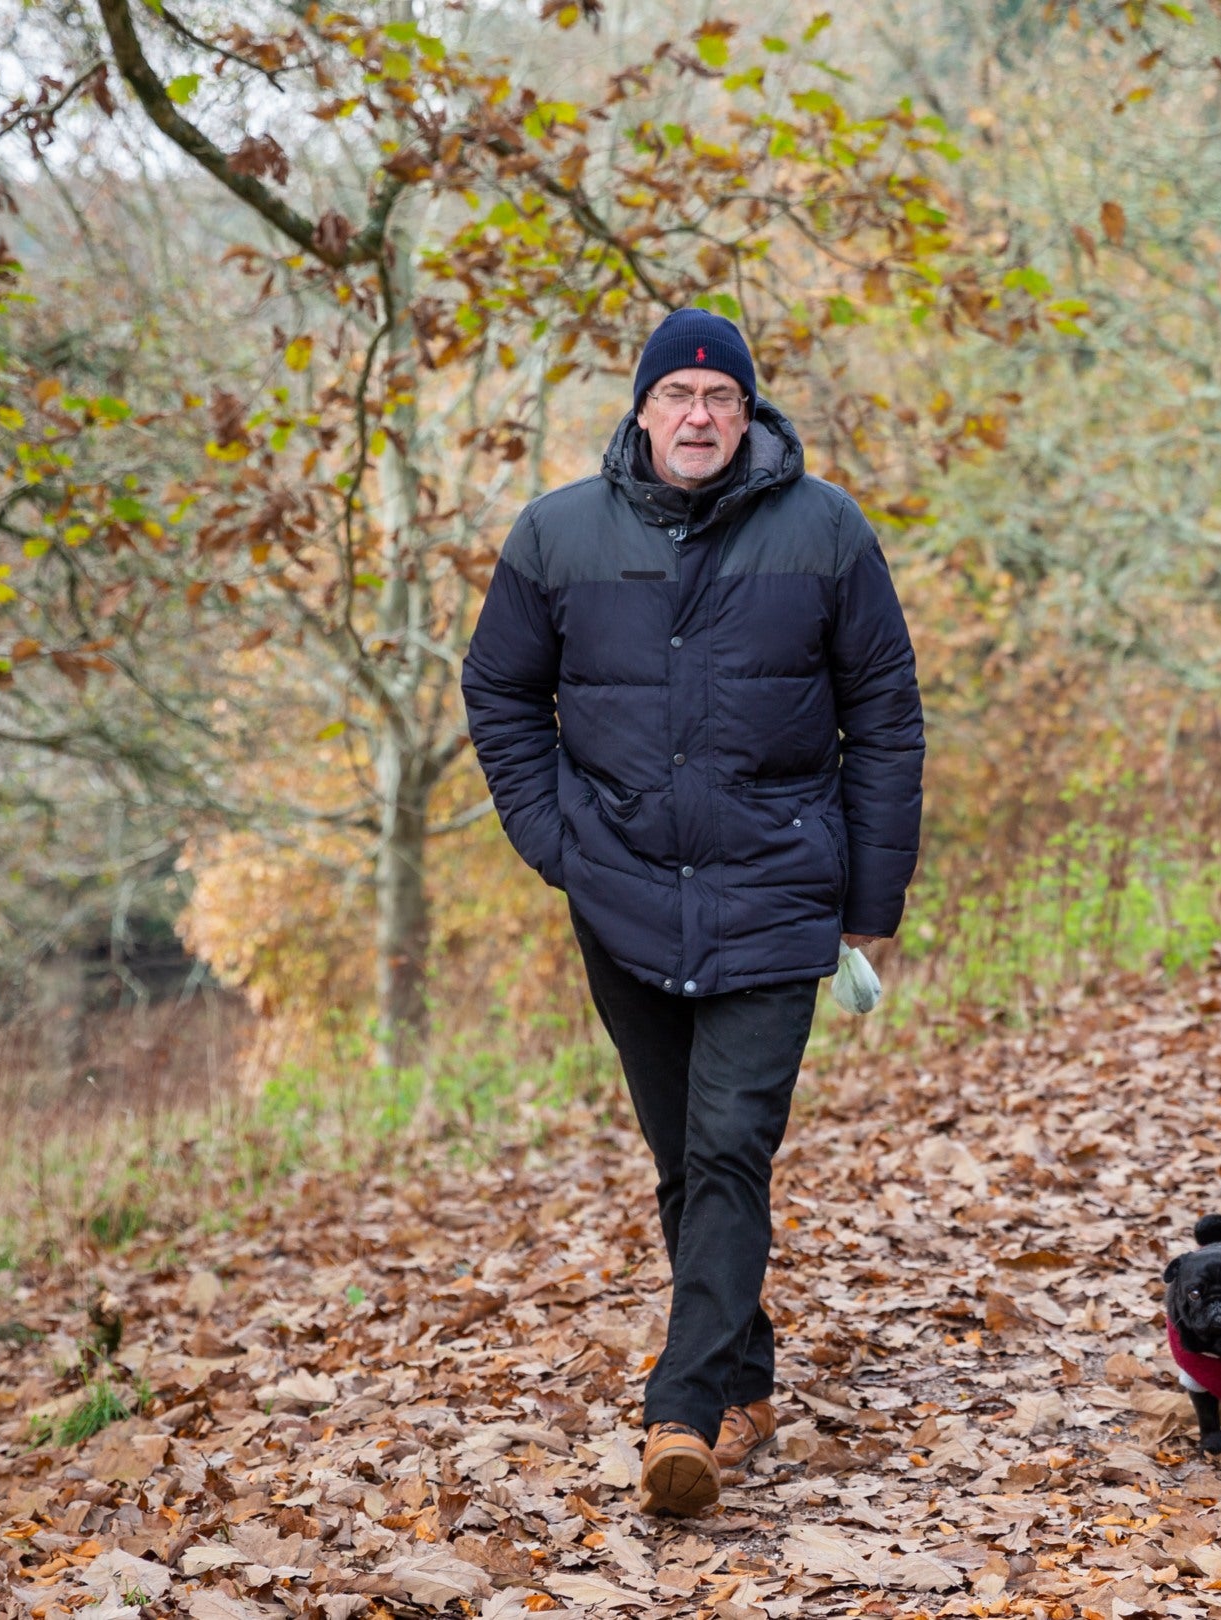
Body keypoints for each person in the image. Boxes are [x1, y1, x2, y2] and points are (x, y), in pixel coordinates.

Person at [461, 309, 923, 1516]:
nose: (700, 416)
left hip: (777, 889)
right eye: (678, 396)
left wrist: (871, 901)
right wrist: (558, 843)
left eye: (721, 398)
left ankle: (682, 1414)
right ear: (644, 409)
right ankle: (745, 1371)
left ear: (749, 412)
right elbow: (500, 690)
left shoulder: (825, 531)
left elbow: (883, 716)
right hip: (619, 896)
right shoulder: (557, 533)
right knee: (682, 1157)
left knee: (729, 1147)